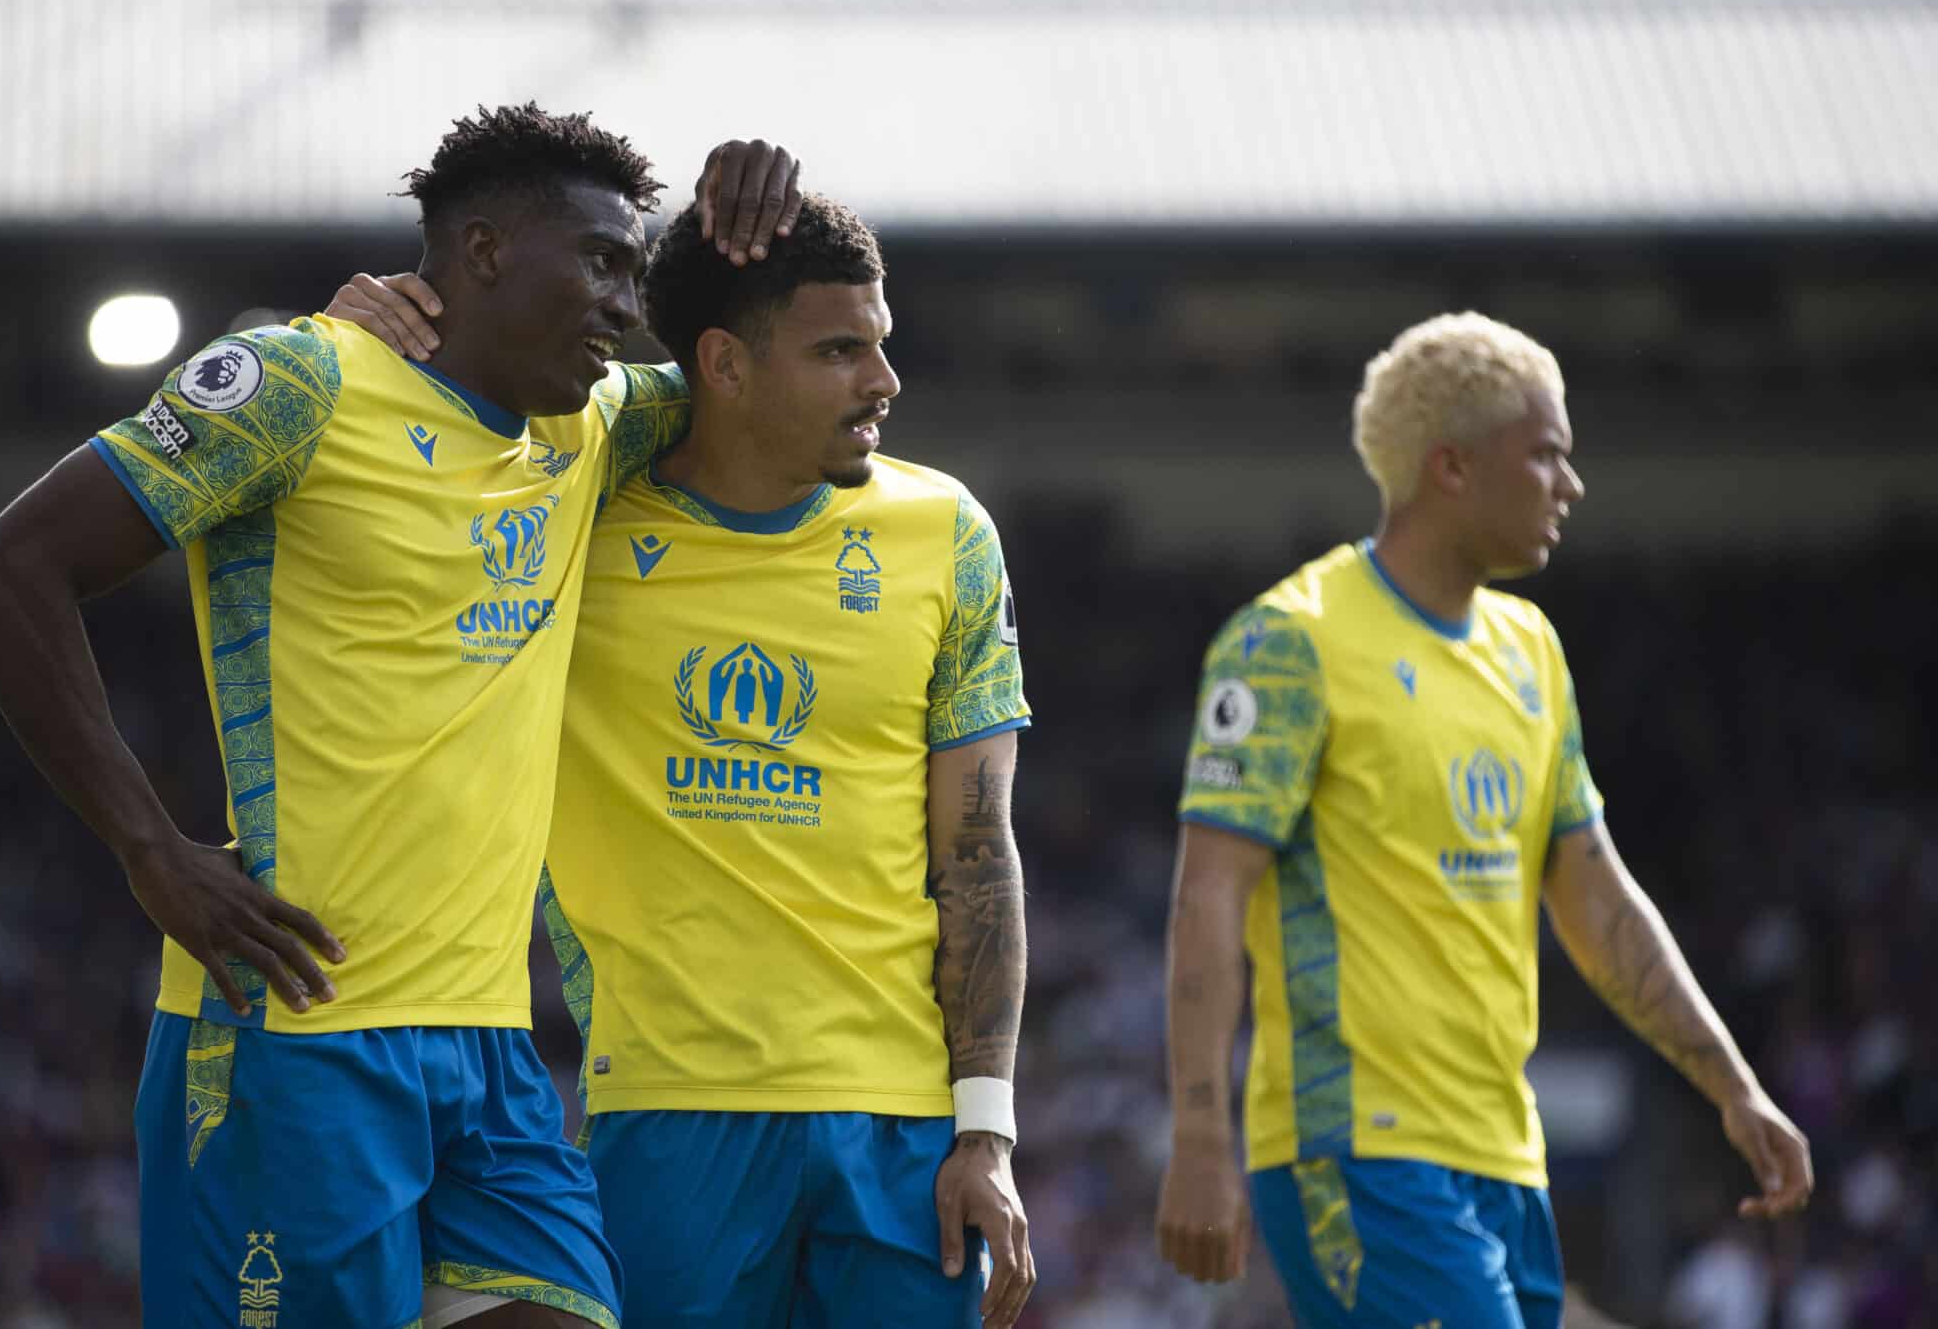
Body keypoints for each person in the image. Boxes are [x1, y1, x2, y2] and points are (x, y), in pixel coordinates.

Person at [0, 102, 801, 1329]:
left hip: (489, 1053)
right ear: (488, 252)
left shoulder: (589, 421)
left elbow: (758, 376)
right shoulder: (303, 383)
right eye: (604, 261)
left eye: (638, 267)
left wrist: (740, 228)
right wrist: (148, 847)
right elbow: (4, 574)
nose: (627, 301)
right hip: (299, 1035)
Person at [330, 193, 1038, 1329]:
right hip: (666, 1110)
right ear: (723, 363)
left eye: (881, 343)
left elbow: (976, 851)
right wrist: (370, 328)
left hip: (906, 1129)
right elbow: (443, 413)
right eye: (837, 349)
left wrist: (986, 1125)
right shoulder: (572, 515)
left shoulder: (946, 529)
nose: (882, 381)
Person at [1152, 313, 1814, 1328]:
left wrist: (1730, 1084)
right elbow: (1208, 893)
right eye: (1545, 453)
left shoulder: (1529, 650)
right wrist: (1199, 1137)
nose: (1569, 483)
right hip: (1355, 1149)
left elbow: (1596, 898)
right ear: (1451, 467)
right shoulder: (1290, 642)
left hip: (1505, 1155)